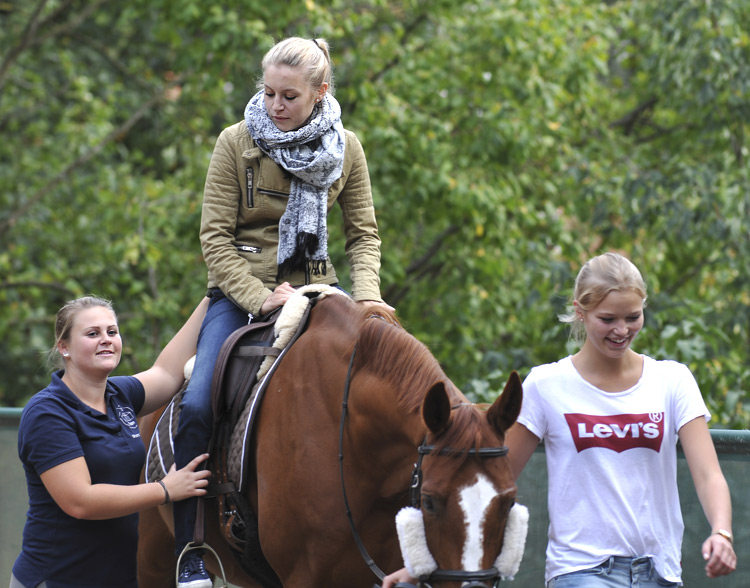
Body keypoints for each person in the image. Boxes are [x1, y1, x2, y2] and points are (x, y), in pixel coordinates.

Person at [383, 252, 737, 588]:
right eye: (608, 319)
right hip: (580, 570)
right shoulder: (546, 386)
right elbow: (488, 488)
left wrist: (721, 532)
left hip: (661, 570)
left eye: (633, 317)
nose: (622, 330)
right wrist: (417, 565)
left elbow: (708, 476)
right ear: (580, 312)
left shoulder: (672, 381)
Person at [173, 36, 388, 587]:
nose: (274, 105)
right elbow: (214, 241)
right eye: (267, 92)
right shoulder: (234, 142)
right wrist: (259, 297)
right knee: (197, 403)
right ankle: (191, 549)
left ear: (320, 92)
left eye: (288, 95)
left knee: (377, 389)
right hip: (241, 293)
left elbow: (363, 236)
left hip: (320, 290)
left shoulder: (348, 148)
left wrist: (367, 298)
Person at [10, 295, 212, 588]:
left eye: (112, 332)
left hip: (120, 578)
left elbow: (166, 372)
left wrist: (213, 295)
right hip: (58, 579)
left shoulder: (120, 395)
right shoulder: (47, 412)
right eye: (93, 334)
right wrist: (166, 490)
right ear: (63, 347)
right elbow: (81, 501)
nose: (106, 339)